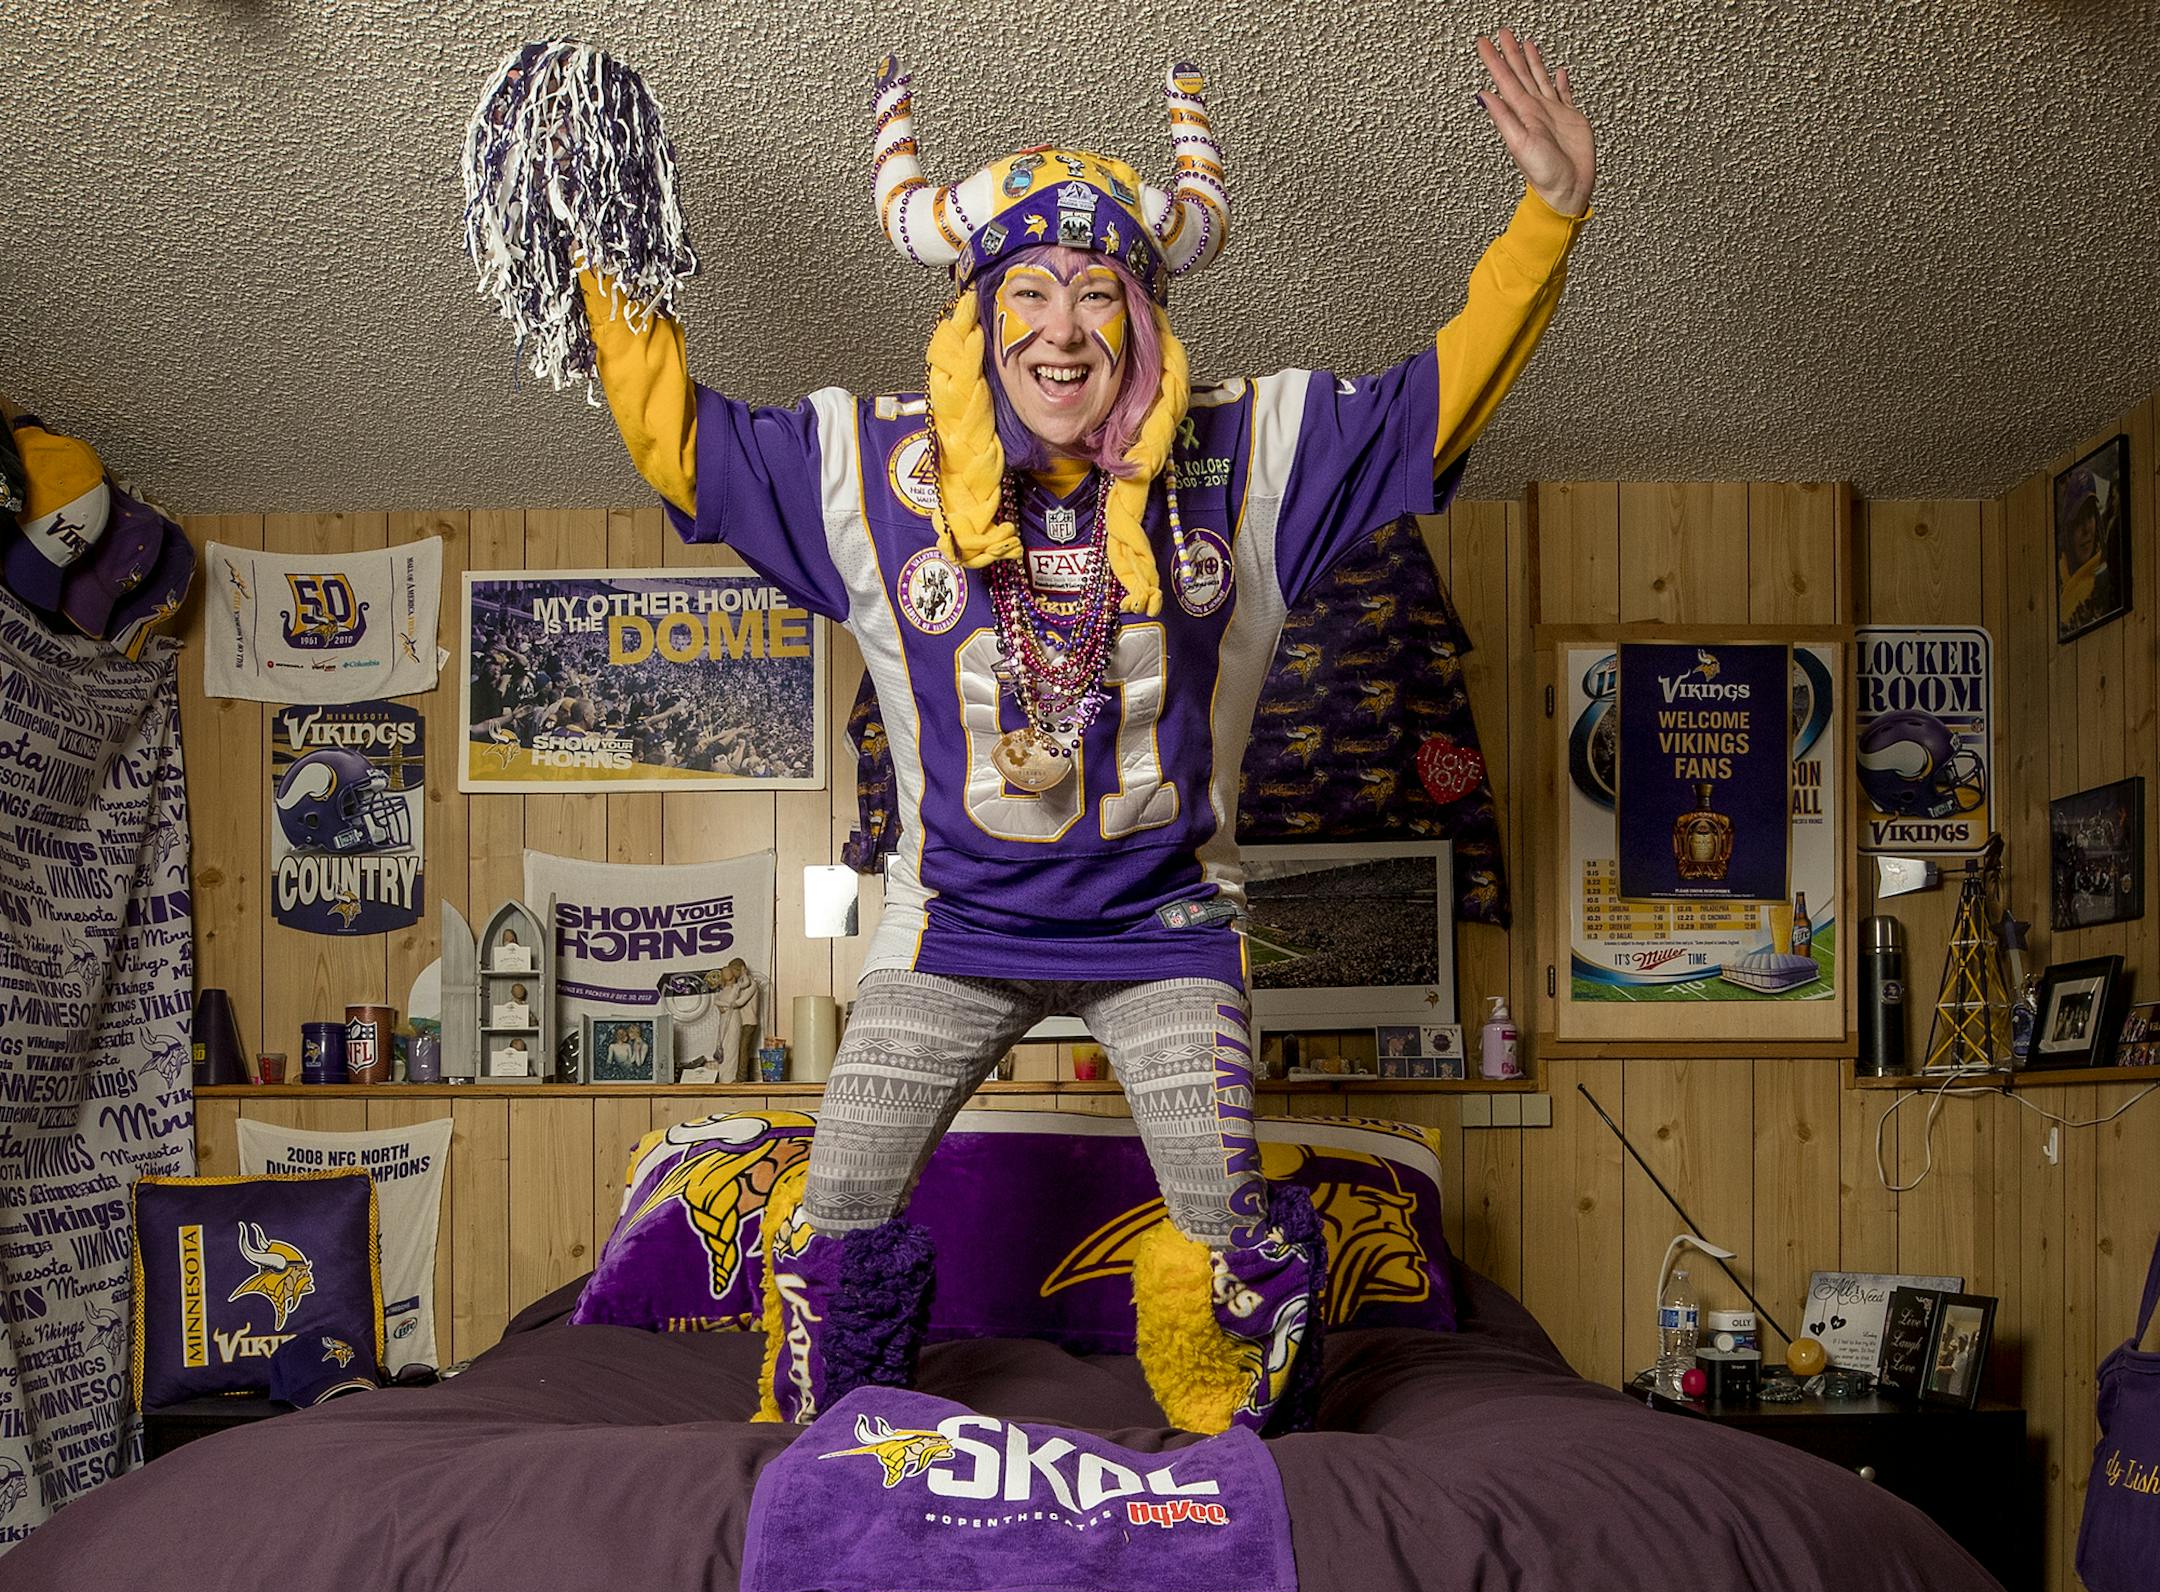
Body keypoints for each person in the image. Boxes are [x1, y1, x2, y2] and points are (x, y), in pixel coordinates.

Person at [567, 29, 1594, 1433]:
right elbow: (682, 440)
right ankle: (824, 1448)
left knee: (1231, 1245)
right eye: (1031, 291)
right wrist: (604, 250)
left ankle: (1226, 1451)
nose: (1063, 327)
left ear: (1146, 324)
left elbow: (1434, 397)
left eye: (1100, 293)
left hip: (1164, 928)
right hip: (950, 931)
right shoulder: (868, 468)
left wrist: (1547, 216)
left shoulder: (1249, 462)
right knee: (835, 1211)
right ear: (979, 322)